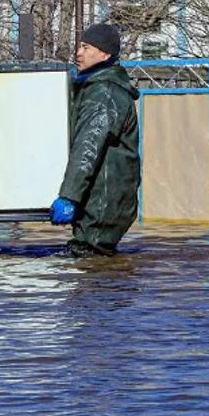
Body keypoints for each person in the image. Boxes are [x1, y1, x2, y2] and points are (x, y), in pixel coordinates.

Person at [50, 23, 140, 257]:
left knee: (91, 269)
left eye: (86, 47)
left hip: (103, 202)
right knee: (99, 272)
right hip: (105, 200)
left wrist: (69, 196)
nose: (78, 53)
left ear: (105, 54)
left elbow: (89, 146)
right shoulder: (96, 87)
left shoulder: (104, 93)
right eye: (79, 46)